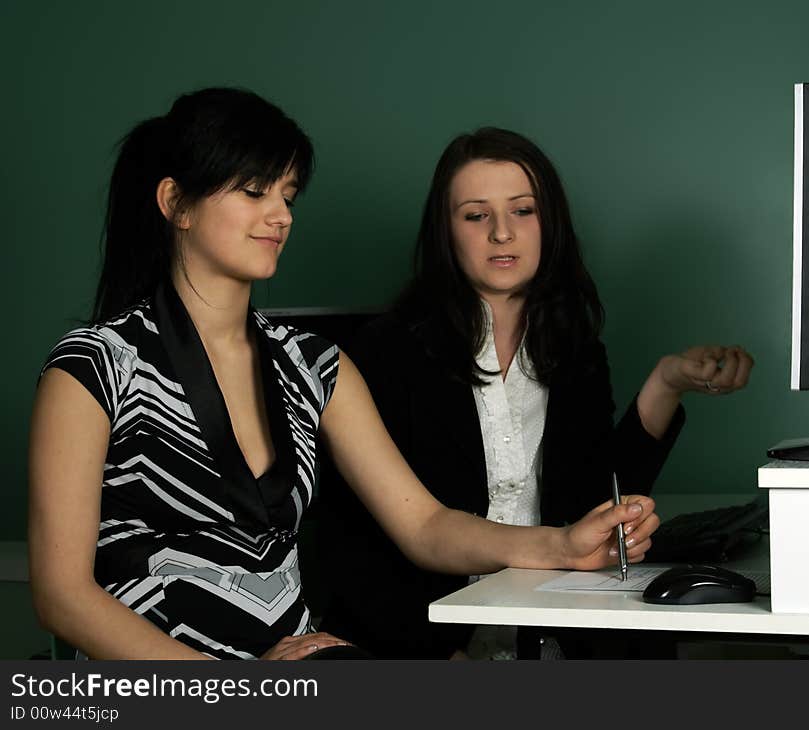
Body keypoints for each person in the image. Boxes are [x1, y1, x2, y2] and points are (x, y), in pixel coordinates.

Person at [27, 90, 660, 660]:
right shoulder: (93, 367)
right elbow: (61, 596)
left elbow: (426, 526)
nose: (281, 216)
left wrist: (562, 545)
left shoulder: (315, 364)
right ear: (176, 204)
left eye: (288, 195)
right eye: (254, 192)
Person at [317, 127, 754, 659]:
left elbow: (600, 502)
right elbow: (359, 537)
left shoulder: (574, 346)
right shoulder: (388, 350)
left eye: (522, 211)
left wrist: (667, 382)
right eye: (476, 215)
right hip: (428, 634)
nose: (502, 233)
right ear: (446, 232)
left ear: (549, 223)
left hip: (544, 620)